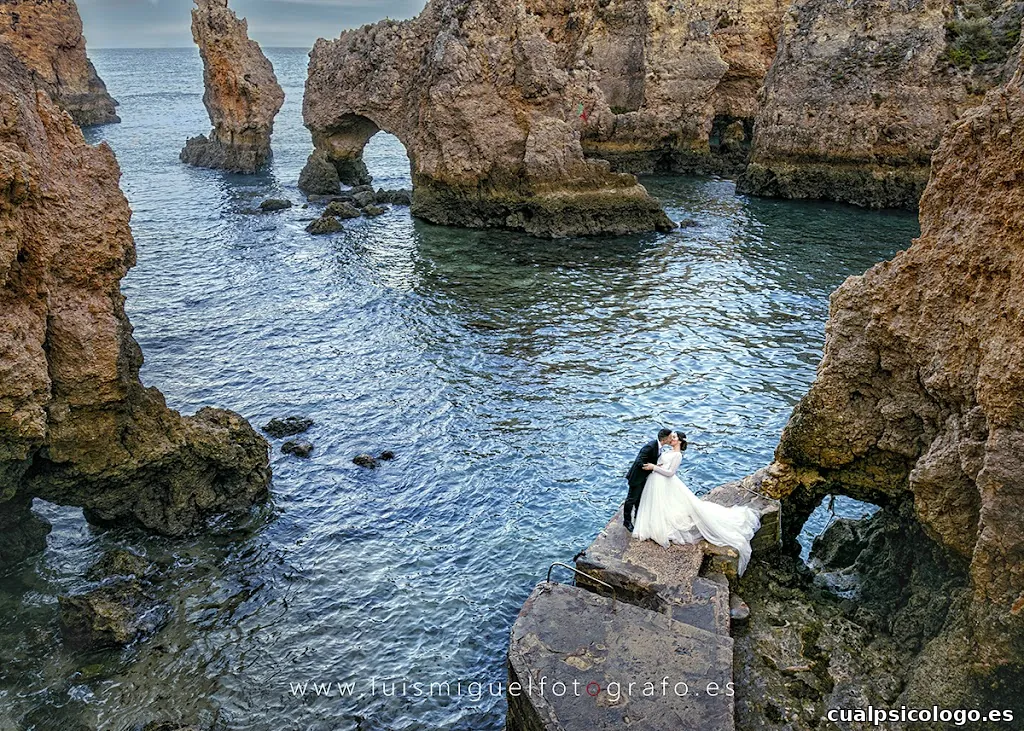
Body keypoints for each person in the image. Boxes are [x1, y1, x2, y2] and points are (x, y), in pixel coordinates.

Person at [633, 431, 761, 575]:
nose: (671, 439)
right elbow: (663, 465)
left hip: (665, 482)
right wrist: (657, 465)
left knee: (671, 507)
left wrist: (654, 468)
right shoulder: (668, 451)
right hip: (657, 482)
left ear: (680, 441)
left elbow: (670, 473)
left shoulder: (678, 455)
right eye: (671, 437)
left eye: (674, 437)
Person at [623, 428, 673, 532]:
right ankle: (627, 521)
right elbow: (639, 460)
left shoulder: (659, 447)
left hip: (644, 477)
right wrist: (649, 466)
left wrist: (654, 465)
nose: (671, 439)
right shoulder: (650, 446)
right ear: (665, 438)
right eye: (670, 437)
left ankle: (638, 515)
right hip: (637, 477)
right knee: (631, 499)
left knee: (640, 498)